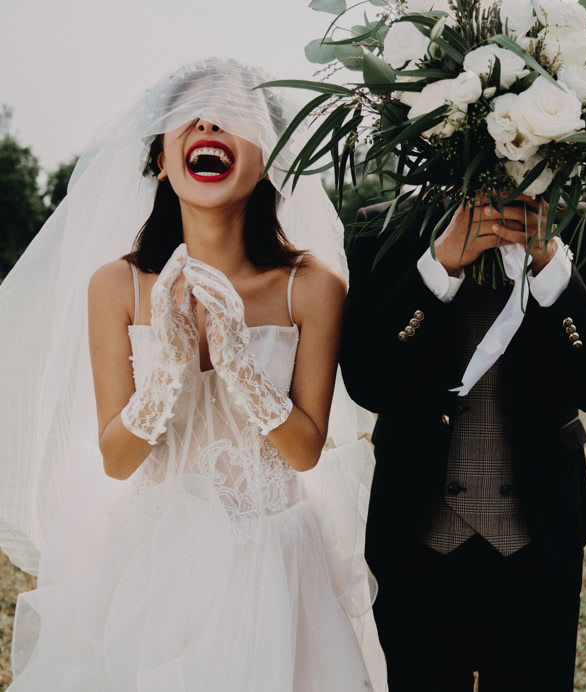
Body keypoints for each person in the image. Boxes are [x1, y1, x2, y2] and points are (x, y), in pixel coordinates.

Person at [0, 58, 385, 691]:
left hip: (275, 560)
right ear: (161, 158)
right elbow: (117, 460)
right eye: (191, 114)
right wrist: (169, 373)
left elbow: (305, 451)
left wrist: (238, 364)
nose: (208, 123)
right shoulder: (116, 286)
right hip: (152, 566)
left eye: (231, 114)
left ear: (269, 158)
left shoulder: (312, 286)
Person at [340, 193, 586, 691]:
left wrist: (550, 262)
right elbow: (368, 381)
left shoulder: (580, 226)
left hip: (540, 543)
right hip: (414, 544)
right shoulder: (381, 227)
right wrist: (440, 265)